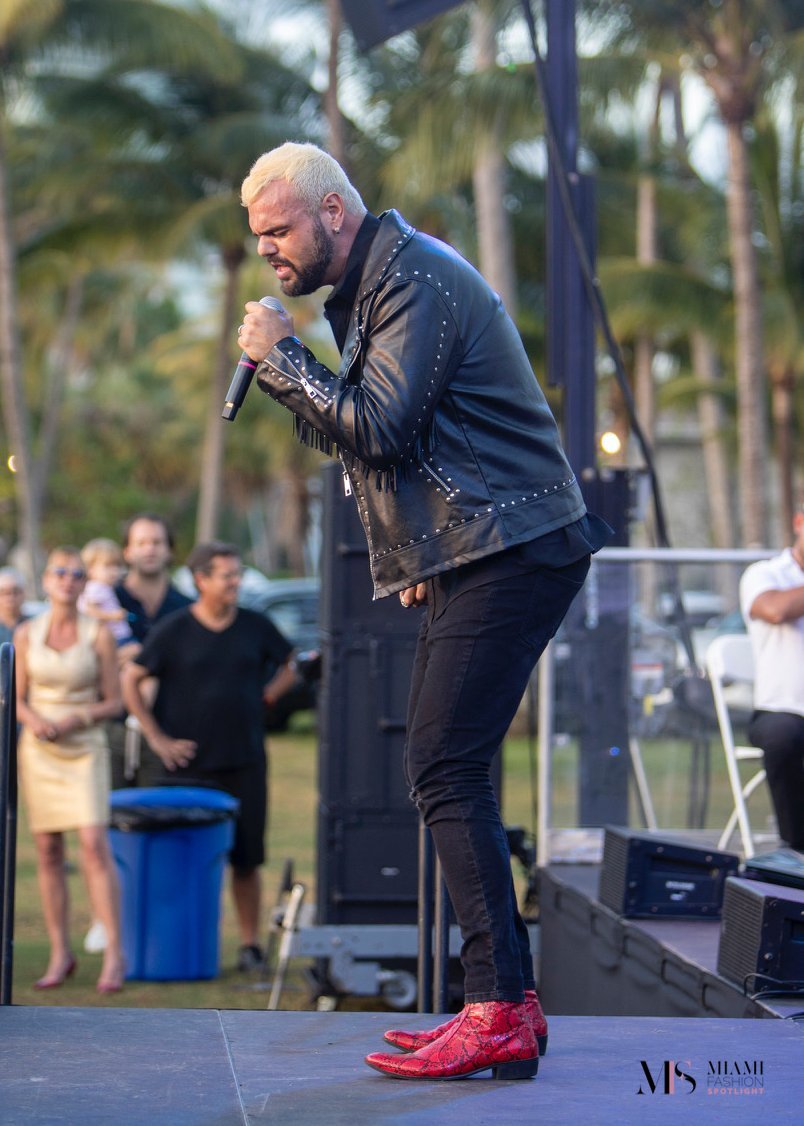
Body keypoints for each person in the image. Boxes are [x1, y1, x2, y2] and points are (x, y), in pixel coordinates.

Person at [237, 142, 610, 1080]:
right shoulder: (372, 290)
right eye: (257, 238)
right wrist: (420, 553)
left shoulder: (415, 278)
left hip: (517, 547)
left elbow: (377, 427)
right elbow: (375, 446)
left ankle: (497, 1007)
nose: (268, 252)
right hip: (480, 552)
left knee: (442, 762)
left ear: (331, 213)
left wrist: (283, 357)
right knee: (450, 766)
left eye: (277, 230)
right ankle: (505, 1004)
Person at [121, 541, 298, 972]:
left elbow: (292, 661)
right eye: (228, 575)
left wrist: (269, 696)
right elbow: (132, 677)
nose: (236, 581)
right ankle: (176, 945)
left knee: (246, 858)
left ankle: (250, 946)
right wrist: (158, 739)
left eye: (237, 574)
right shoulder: (173, 629)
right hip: (186, 767)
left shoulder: (257, 626)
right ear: (201, 580)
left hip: (245, 759)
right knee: (184, 859)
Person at [15, 546, 126, 993]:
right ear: (45, 580)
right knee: (47, 849)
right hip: (40, 748)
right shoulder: (26, 633)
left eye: (76, 574)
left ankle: (115, 952)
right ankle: (60, 951)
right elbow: (17, 697)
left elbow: (115, 701)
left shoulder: (98, 634)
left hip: (84, 744)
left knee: (93, 843)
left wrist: (74, 718)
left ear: (84, 584)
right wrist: (35, 721)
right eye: (59, 572)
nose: (67, 580)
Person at [107, 513, 193, 789]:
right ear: (127, 551)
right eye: (141, 542)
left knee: (163, 820)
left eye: (157, 542)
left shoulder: (186, 607)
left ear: (169, 550)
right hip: (114, 729)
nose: (150, 549)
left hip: (170, 731)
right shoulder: (106, 600)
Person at [739, 504, 804, 850]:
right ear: (798, 522)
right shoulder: (765, 574)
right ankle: (796, 851)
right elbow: (775, 610)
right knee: (783, 736)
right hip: (780, 710)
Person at [78, 538, 139, 661]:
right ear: (90, 569)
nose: (114, 571)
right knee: (136, 651)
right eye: (107, 566)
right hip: (115, 638)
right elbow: (89, 611)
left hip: (118, 637)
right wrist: (113, 616)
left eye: (116, 566)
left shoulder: (105, 587)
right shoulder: (96, 588)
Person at [0, 565, 29, 644]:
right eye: (3, 593)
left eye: (15, 591)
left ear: (23, 593)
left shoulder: (36, 626)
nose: (10, 598)